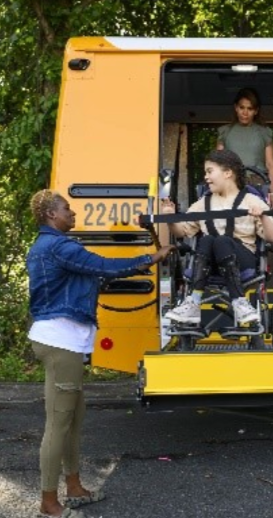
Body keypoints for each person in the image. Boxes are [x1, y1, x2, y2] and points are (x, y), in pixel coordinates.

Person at [27, 189, 175, 518]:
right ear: (52, 214)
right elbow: (104, 266)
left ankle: (75, 487)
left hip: (65, 339)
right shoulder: (58, 246)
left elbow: (86, 275)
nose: (74, 213)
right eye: (68, 209)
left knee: (73, 421)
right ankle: (49, 504)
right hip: (59, 340)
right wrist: (152, 257)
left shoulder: (47, 246)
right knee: (58, 423)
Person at [161, 149, 273, 325]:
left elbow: (272, 237)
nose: (206, 177)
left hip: (242, 261)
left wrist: (263, 216)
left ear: (227, 173)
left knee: (221, 240)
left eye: (209, 171)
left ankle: (238, 301)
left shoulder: (252, 201)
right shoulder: (203, 204)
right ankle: (193, 302)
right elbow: (181, 232)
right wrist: (170, 217)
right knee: (208, 240)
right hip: (210, 264)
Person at [217, 87, 273, 209]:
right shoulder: (225, 132)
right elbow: (218, 164)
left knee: (260, 222)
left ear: (256, 111)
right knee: (232, 222)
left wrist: (272, 193)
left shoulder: (264, 132)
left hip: (258, 182)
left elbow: (271, 164)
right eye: (242, 108)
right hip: (231, 182)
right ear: (236, 108)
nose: (245, 113)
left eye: (250, 109)